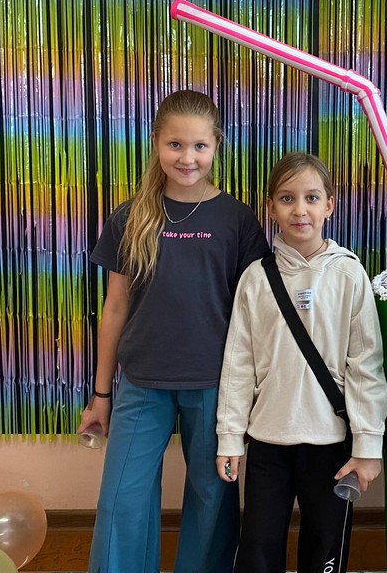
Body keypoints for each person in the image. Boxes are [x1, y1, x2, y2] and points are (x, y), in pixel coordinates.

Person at [79, 89, 270, 573]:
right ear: (156, 144)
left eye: (199, 146)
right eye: (175, 145)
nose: (188, 158)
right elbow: (115, 308)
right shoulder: (130, 217)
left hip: (215, 384)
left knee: (212, 501)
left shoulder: (236, 219)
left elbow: (255, 314)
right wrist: (101, 395)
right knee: (122, 500)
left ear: (216, 145)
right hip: (141, 382)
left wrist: (253, 390)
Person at [216, 152, 387, 573]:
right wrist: (229, 436)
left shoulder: (349, 275)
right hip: (268, 442)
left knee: (325, 549)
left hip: (331, 445)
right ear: (271, 207)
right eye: (287, 198)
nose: (299, 210)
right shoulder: (256, 278)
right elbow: (238, 364)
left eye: (311, 198)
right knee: (258, 548)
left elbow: (366, 365)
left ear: (330, 204)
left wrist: (368, 447)